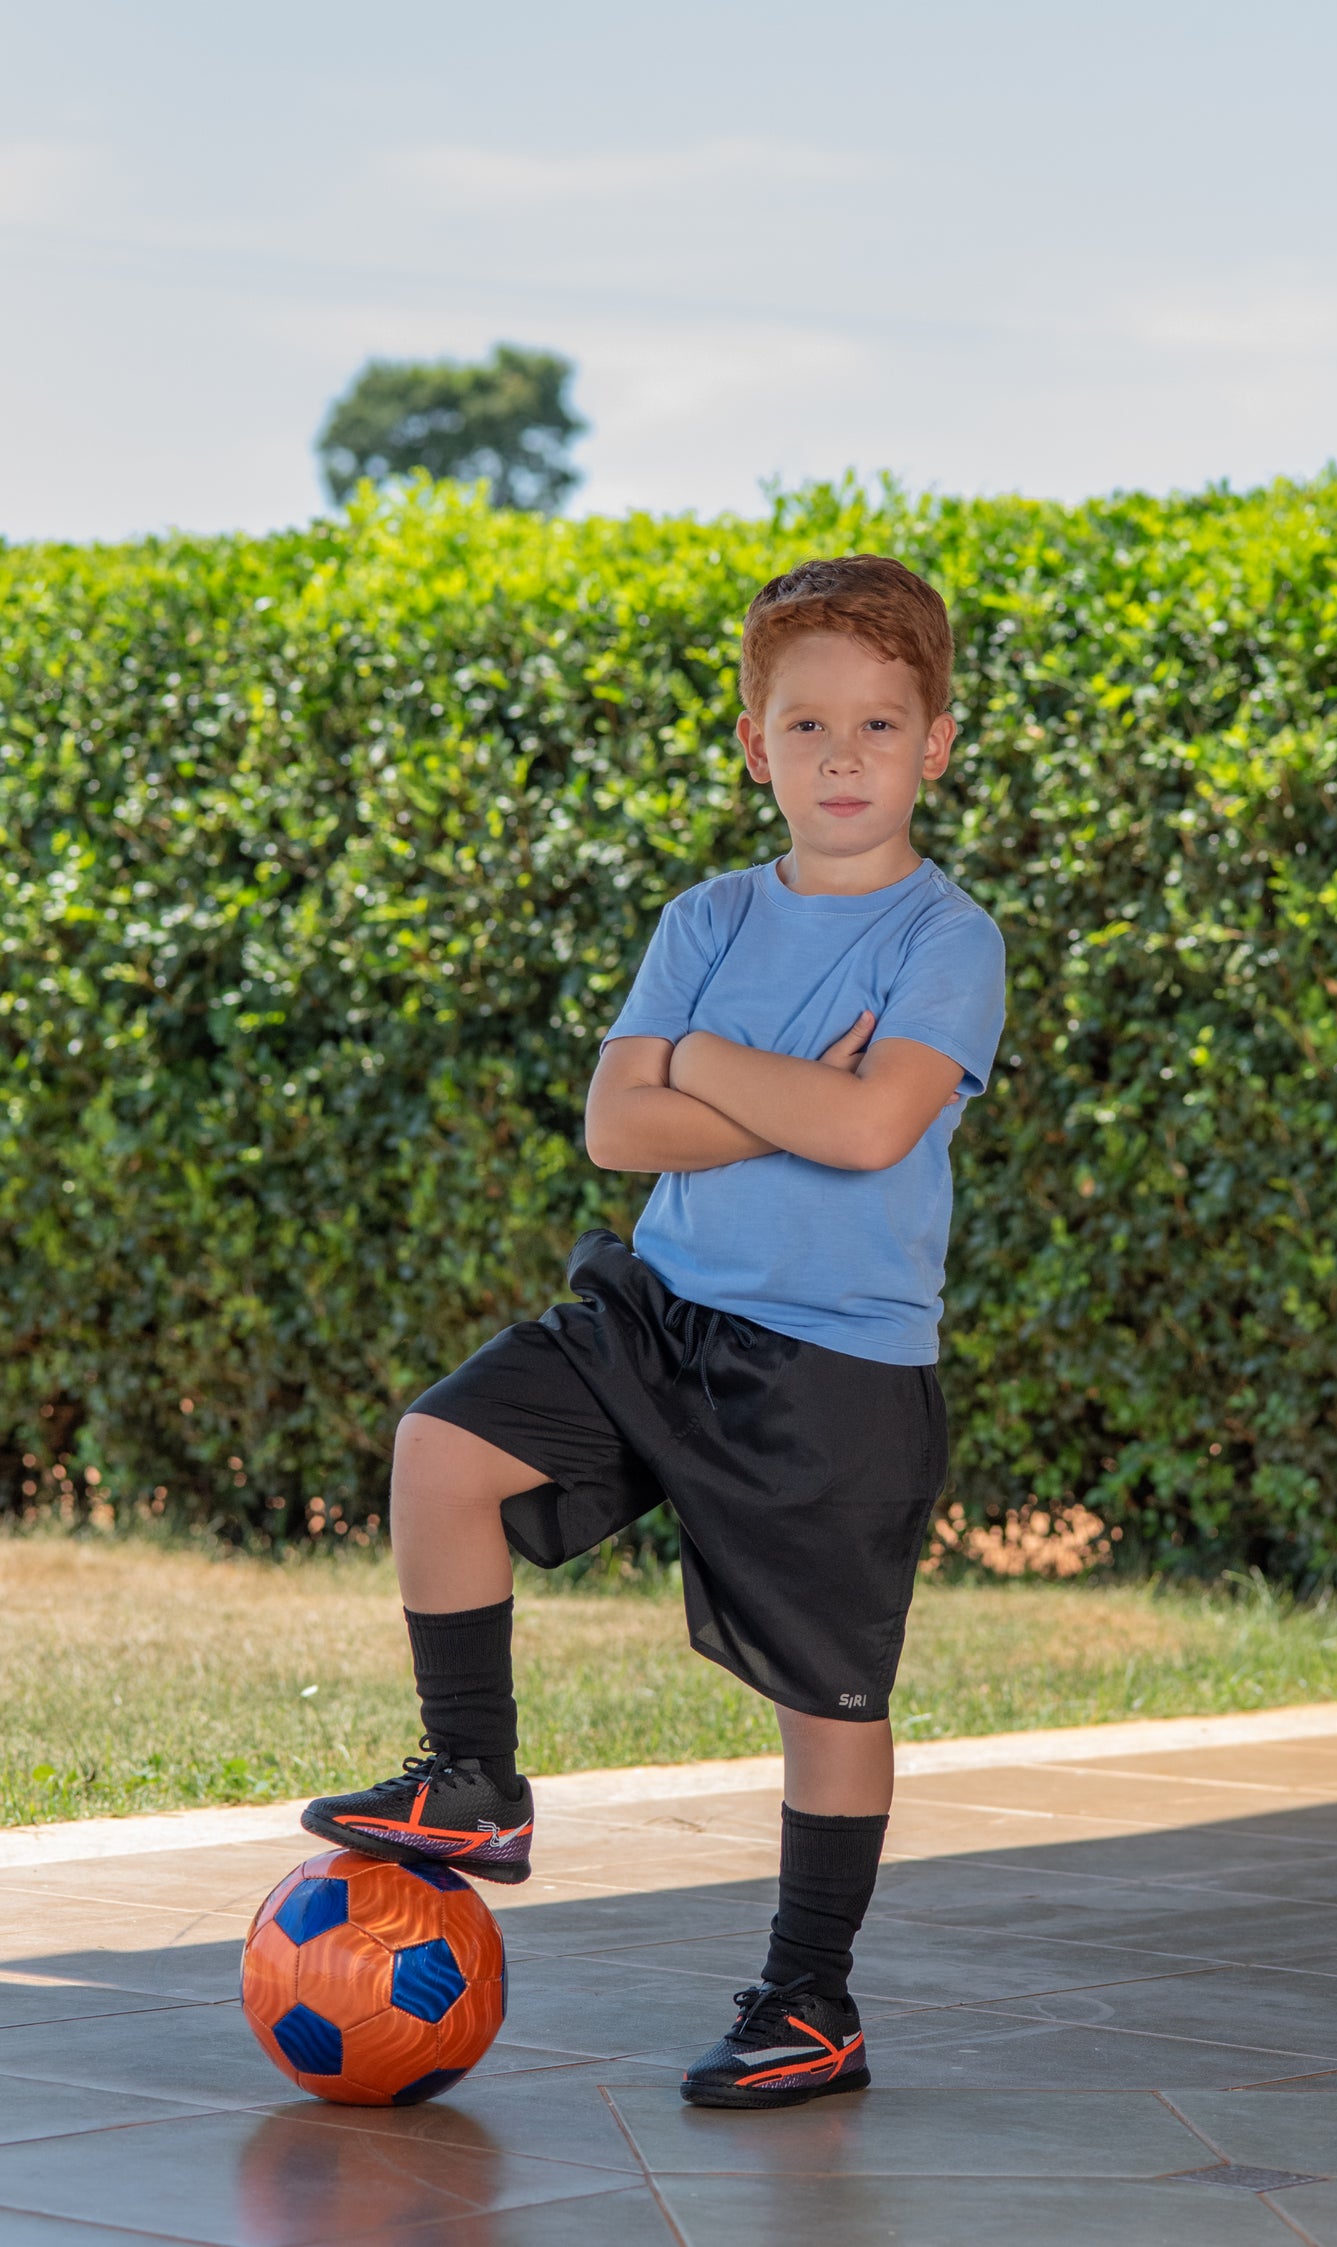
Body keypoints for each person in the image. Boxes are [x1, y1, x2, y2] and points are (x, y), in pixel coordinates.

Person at [303, 553, 1007, 2108]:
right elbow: (620, 1126)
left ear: (938, 743)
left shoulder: (948, 943)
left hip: (837, 1370)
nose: (842, 757)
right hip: (661, 1317)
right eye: (806, 725)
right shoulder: (704, 919)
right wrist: (760, 1079)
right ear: (752, 742)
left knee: (829, 1703)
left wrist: (709, 1070)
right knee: (440, 1449)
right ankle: (474, 1780)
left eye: (880, 728)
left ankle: (810, 2004)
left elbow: (879, 1126)